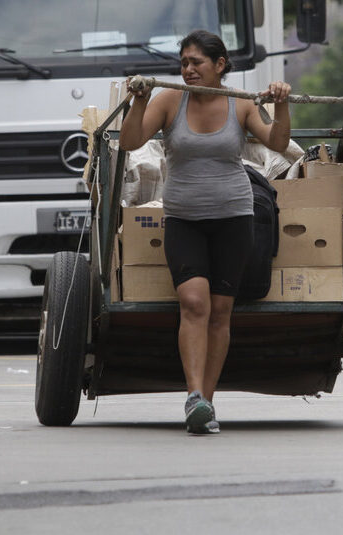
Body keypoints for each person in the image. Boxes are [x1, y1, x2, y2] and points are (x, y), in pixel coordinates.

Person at [120, 30, 291, 434]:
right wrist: (139, 100)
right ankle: (193, 395)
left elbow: (279, 142)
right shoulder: (167, 100)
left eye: (197, 62)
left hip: (234, 217)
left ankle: (206, 404)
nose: (188, 70)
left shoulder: (242, 105)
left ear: (220, 66)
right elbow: (129, 140)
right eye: (183, 63)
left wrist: (282, 105)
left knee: (220, 311)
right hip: (184, 219)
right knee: (193, 302)